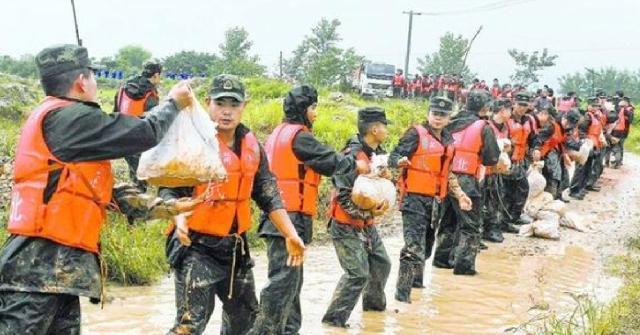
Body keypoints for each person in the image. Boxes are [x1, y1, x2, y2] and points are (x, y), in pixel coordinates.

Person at [0, 44, 194, 334]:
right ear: (81, 81)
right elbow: (145, 132)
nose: (94, 82)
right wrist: (174, 102)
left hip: (60, 275)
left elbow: (99, 189)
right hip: (35, 273)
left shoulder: (66, 123)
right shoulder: (68, 118)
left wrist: (161, 207)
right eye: (92, 75)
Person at [160, 75, 306, 335]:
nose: (226, 111)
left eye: (234, 104)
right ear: (207, 103)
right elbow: (169, 186)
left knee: (245, 322)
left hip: (235, 249)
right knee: (189, 325)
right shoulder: (193, 141)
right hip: (196, 247)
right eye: (220, 103)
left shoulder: (252, 146)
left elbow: (267, 192)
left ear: (243, 106)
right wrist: (176, 215)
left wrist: (290, 233)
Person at [249, 85, 364, 334]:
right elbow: (331, 161)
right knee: (283, 282)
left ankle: (290, 331)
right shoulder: (299, 137)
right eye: (313, 108)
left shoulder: (277, 133)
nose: (316, 114)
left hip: (277, 218)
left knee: (291, 282)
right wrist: (358, 165)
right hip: (288, 219)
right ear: (303, 109)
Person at [389, 96, 472, 303]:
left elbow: (448, 173)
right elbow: (393, 155)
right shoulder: (414, 134)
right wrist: (399, 161)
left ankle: (417, 284)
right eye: (435, 114)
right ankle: (402, 294)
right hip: (414, 199)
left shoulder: (448, 141)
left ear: (448, 118)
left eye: (442, 115)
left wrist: (460, 194)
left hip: (436, 201)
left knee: (426, 245)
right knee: (413, 247)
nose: (437, 118)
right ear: (428, 114)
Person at [321, 107, 392, 328]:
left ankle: (373, 315)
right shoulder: (350, 156)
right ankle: (333, 322)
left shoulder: (376, 153)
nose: (387, 130)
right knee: (357, 274)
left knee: (382, 263)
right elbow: (343, 197)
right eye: (385, 126)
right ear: (375, 129)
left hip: (366, 224)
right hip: (344, 225)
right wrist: (371, 212)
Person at [433, 90, 500, 275]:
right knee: (470, 225)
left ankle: (441, 260)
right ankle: (464, 267)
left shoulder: (449, 122)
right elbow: (491, 159)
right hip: (467, 180)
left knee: (447, 220)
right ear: (485, 107)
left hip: (444, 178)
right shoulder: (484, 127)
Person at [113, 62, 163, 197]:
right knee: (140, 175)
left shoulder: (124, 87)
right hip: (139, 137)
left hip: (121, 133)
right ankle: (138, 205)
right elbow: (153, 119)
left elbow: (115, 110)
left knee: (134, 170)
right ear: (156, 75)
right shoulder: (151, 93)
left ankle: (134, 194)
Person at [482, 98, 515, 242]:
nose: (511, 113)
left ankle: (492, 228)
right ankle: (480, 232)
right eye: (509, 110)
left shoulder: (505, 127)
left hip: (497, 171)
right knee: (481, 202)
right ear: (502, 111)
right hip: (484, 172)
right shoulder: (487, 126)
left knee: (496, 199)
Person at [503, 92, 536, 226]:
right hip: (507, 159)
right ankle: (505, 219)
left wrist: (536, 149)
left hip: (521, 159)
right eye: (519, 104)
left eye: (525, 105)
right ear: (514, 104)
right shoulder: (507, 119)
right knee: (506, 190)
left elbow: (534, 138)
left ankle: (515, 215)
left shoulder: (528, 120)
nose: (522, 108)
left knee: (522, 188)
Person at [609, 97, 634, 168]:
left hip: (617, 131)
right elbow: (630, 121)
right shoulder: (630, 110)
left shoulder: (619, 109)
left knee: (616, 146)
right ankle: (619, 161)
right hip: (624, 131)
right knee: (620, 146)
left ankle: (617, 161)